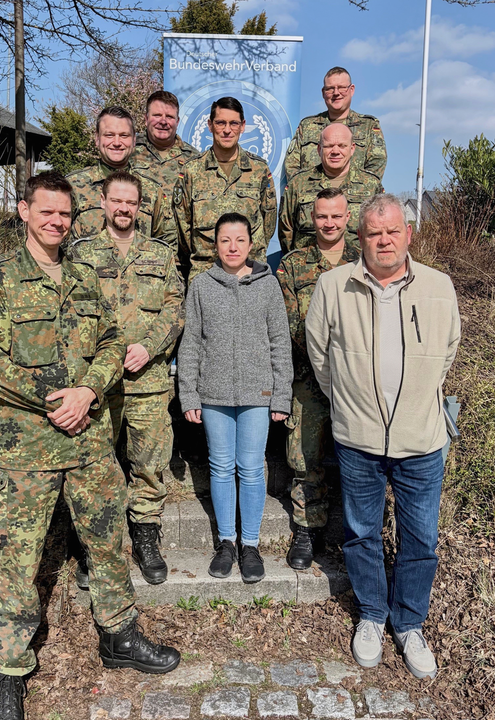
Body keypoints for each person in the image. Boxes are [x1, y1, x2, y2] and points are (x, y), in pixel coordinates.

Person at [0, 171, 180, 720]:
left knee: (108, 541)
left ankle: (119, 637)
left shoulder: (83, 279)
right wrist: (55, 398)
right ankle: (9, 675)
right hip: (28, 452)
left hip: (87, 441)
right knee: (20, 563)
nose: (57, 222)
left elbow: (111, 341)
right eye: (47, 212)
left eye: (64, 214)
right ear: (24, 212)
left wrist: (88, 390)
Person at [305, 193, 460, 680]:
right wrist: (350, 403)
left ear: (408, 234)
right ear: (361, 239)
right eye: (374, 233)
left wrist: (417, 396)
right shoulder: (333, 286)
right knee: (362, 532)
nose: (385, 240)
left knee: (420, 538)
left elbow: (449, 347)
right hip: (359, 439)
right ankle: (373, 614)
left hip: (421, 440)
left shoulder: (439, 286)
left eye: (393, 230)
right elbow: (319, 355)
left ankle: (410, 623)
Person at [67, 171, 185, 586]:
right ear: (103, 202)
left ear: (140, 207)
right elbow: (71, 312)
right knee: (97, 468)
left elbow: (175, 308)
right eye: (115, 200)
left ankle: (146, 536)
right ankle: (98, 548)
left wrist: (149, 347)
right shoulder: (80, 255)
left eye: (130, 202)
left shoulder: (161, 254)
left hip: (147, 381)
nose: (123, 208)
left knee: (149, 465)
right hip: (97, 383)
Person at [177, 212, 292, 583]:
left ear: (251, 244)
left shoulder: (267, 285)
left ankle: (251, 545)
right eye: (225, 240)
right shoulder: (201, 285)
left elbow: (280, 343)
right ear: (215, 245)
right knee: (221, 467)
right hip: (213, 394)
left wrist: (281, 397)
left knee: (251, 467)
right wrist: (189, 394)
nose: (232, 247)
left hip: (258, 393)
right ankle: (226, 542)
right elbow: (191, 343)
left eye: (239, 240)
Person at [276, 187, 362, 570]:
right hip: (308, 377)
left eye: (336, 216)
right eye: (322, 216)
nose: (329, 223)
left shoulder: (366, 263)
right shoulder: (293, 266)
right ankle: (307, 529)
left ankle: (360, 535)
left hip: (357, 380)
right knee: (304, 458)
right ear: (312, 219)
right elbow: (290, 324)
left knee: (362, 457)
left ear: (348, 219)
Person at [172, 97, 278, 283]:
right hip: (206, 273)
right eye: (220, 123)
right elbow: (183, 227)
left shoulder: (259, 169)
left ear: (243, 126)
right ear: (210, 125)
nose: (227, 130)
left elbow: (268, 221)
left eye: (233, 123)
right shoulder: (192, 171)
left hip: (250, 273)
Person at [68, 107, 173, 246]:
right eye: (109, 135)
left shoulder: (152, 190)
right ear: (97, 139)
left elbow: (167, 244)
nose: (117, 143)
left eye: (124, 136)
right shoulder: (73, 186)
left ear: (134, 140)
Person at [278, 123, 384, 253]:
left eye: (342, 146)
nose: (335, 151)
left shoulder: (371, 185)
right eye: (328, 146)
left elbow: (380, 230)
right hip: (308, 269)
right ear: (319, 149)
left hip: (356, 267)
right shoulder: (298, 183)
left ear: (352, 148)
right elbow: (286, 231)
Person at [283, 67, 386, 181]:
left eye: (342, 88)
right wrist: (306, 190)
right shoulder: (307, 126)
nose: (336, 93)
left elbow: (377, 163)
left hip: (356, 197)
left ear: (351, 90)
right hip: (312, 196)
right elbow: (291, 164)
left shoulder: (368, 126)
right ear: (323, 93)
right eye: (330, 89)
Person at [131, 90, 199, 209]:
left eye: (169, 117)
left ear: (177, 121)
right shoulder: (128, 150)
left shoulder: (193, 158)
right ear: (146, 119)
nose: (163, 121)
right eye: (157, 115)